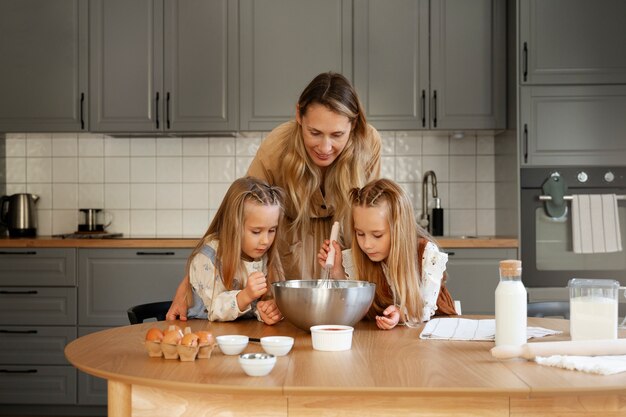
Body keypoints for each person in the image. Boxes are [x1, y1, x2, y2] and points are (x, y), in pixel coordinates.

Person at [167, 72, 382, 320]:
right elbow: (237, 215)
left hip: (341, 263)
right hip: (288, 259)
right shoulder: (277, 145)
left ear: (352, 126)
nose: (325, 148)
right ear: (299, 116)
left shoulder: (369, 144)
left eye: (337, 135)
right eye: (314, 133)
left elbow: (373, 215)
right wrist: (187, 285)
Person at [317, 178, 457, 330]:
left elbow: (425, 308)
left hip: (431, 335)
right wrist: (337, 272)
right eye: (360, 233)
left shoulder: (427, 255)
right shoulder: (355, 257)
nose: (367, 244)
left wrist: (402, 313)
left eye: (377, 235)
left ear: (399, 230)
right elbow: (353, 306)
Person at [183, 177, 286, 325]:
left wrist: (265, 310)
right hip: (203, 333)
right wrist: (246, 295)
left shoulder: (263, 254)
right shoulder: (208, 257)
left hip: (241, 335)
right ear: (233, 226)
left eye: (272, 230)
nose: (266, 241)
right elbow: (214, 309)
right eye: (256, 232)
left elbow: (254, 306)